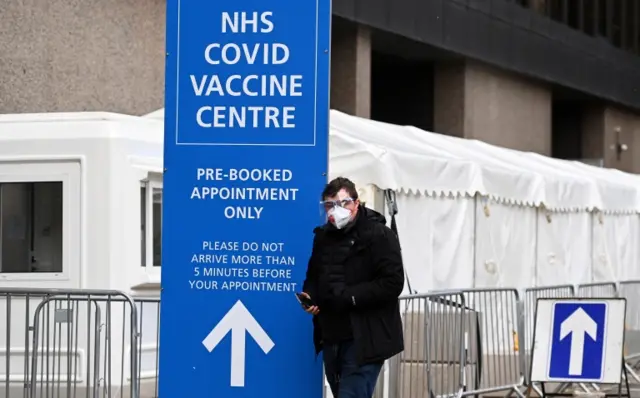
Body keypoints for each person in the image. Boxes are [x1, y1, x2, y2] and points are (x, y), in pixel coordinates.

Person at [300, 177, 405, 398]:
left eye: (342, 203)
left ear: (356, 203)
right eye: (330, 205)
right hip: (331, 334)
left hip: (364, 337)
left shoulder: (379, 235)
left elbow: (393, 282)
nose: (336, 210)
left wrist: (351, 297)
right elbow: (313, 276)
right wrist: (310, 296)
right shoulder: (323, 237)